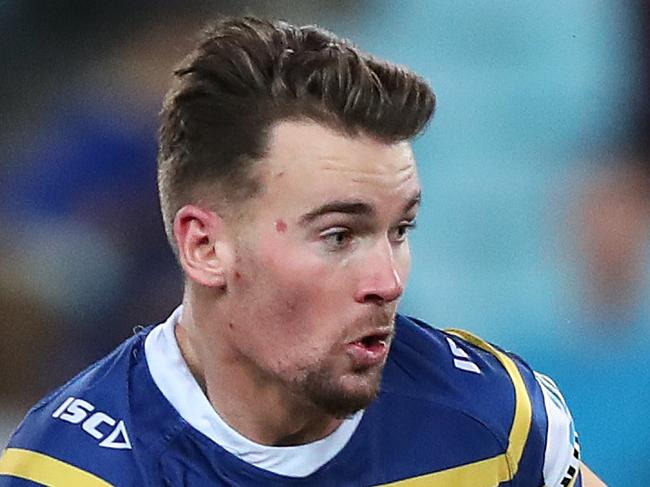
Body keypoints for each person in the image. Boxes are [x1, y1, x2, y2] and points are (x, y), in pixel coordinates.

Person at [0, 16, 606, 487]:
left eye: (401, 230)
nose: (388, 281)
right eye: (339, 236)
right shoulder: (74, 468)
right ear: (205, 247)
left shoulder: (492, 421)